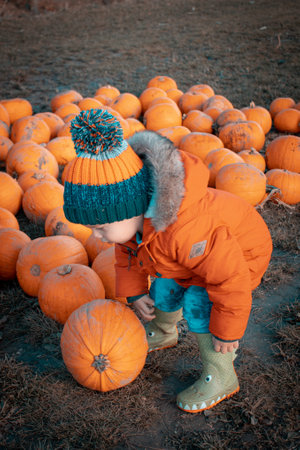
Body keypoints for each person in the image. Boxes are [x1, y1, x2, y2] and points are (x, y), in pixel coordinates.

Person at [63, 108, 273, 413]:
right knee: (164, 284)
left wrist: (228, 330)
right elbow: (127, 254)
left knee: (199, 304)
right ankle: (164, 330)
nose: (97, 236)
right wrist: (135, 291)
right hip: (192, 259)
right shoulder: (133, 225)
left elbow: (229, 280)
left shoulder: (185, 230)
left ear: (128, 210)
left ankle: (222, 372)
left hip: (241, 255)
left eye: (100, 227)